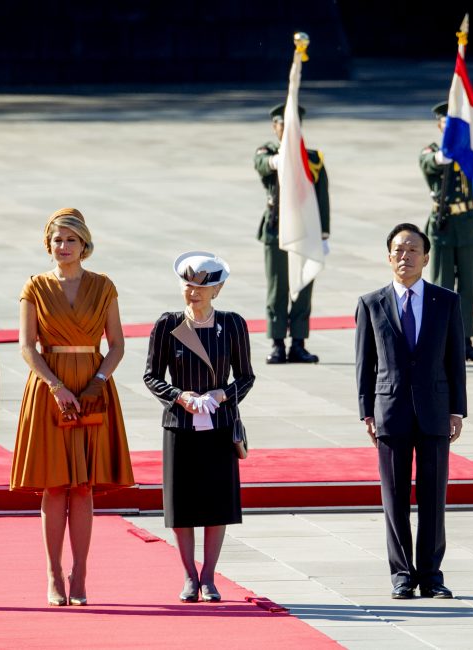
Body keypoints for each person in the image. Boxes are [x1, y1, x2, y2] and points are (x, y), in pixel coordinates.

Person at [10, 208, 134, 607]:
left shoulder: (104, 287)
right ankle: (52, 574)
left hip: (93, 386)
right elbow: (27, 347)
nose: (62, 247)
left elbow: (116, 344)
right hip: (50, 388)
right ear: (48, 244)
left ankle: (79, 573)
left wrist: (98, 382)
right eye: (57, 240)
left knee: (82, 486)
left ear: (84, 245)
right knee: (54, 484)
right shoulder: (34, 287)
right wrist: (56, 386)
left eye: (70, 240)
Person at [355, 223, 467, 599]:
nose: (406, 256)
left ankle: (432, 575)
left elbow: (455, 360)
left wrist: (457, 410)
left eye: (413, 250)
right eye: (399, 250)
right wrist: (366, 412)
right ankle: (402, 574)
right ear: (389, 257)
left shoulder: (446, 301)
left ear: (426, 257)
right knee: (395, 498)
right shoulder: (372, 303)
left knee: (434, 498)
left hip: (435, 411)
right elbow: (364, 364)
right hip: (390, 410)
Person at [143, 251, 255, 603]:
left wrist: (223, 394)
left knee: (216, 502)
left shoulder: (233, 324)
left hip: (220, 426)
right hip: (181, 426)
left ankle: (209, 576)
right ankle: (189, 575)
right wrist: (178, 396)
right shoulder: (168, 325)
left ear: (217, 290)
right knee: (183, 503)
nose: (193, 292)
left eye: (201, 288)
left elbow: (247, 376)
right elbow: (151, 376)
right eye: (188, 285)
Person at [254, 102, 329, 364]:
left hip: (305, 230)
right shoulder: (269, 152)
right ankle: (277, 343)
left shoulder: (312, 158)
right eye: (281, 124)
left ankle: (298, 342)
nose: (285, 129)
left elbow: (321, 198)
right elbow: (262, 164)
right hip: (276, 230)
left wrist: (324, 235)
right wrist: (281, 158)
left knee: (302, 286)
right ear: (274, 127)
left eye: (290, 124)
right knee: (278, 288)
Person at [420, 102, 473, 362]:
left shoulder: (471, 154)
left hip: (469, 224)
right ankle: (440, 344)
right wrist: (441, 159)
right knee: (442, 286)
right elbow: (427, 163)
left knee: (469, 287)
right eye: (445, 123)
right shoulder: (434, 152)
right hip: (443, 225)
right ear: (439, 125)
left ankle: (465, 341)